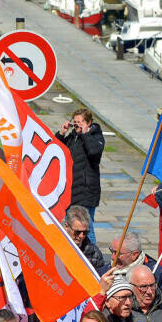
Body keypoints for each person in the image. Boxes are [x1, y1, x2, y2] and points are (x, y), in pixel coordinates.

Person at [58, 108, 104, 243]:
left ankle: (93, 259)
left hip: (86, 192)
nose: (77, 125)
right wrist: (61, 133)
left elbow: (94, 152)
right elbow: (56, 150)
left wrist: (85, 134)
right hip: (71, 192)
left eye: (80, 122)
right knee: (71, 228)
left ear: (89, 123)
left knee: (86, 228)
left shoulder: (96, 136)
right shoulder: (73, 137)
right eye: (75, 122)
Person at [63, 205, 106, 272]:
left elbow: (100, 277)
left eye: (85, 232)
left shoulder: (94, 252)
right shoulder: (53, 247)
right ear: (66, 226)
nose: (81, 236)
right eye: (77, 232)